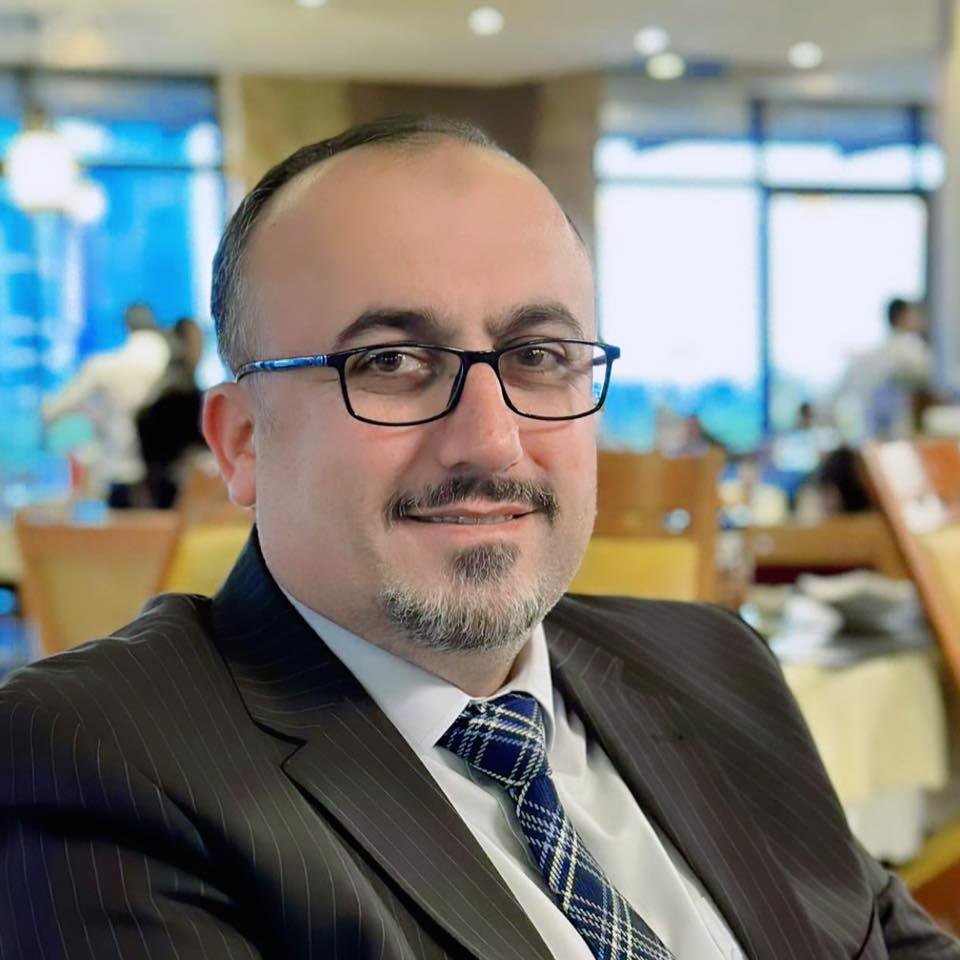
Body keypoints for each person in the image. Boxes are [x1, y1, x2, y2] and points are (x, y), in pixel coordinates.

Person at [1, 117, 956, 960]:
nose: (491, 441)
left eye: (538, 356)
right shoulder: (97, 763)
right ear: (242, 441)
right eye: (390, 362)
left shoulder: (712, 663)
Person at [42, 301, 170, 507]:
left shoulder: (106, 366)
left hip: (122, 466)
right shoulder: (171, 358)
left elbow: (62, 405)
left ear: (127, 326)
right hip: (163, 471)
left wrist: (45, 412)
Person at [834, 297, 933, 443]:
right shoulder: (911, 348)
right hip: (898, 426)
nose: (918, 319)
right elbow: (926, 377)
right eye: (913, 314)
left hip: (875, 430)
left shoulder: (877, 351)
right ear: (903, 317)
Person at [137, 316, 207, 508]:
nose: (200, 349)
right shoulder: (176, 395)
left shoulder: (169, 389)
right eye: (195, 342)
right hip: (175, 490)